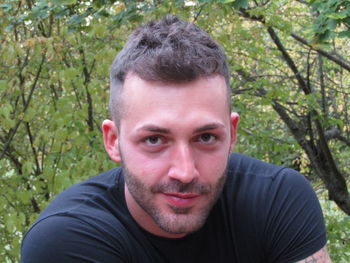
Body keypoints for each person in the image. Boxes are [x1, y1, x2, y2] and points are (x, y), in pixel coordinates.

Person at [21, 15, 332, 263]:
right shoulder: (67, 239)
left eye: (206, 137)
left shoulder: (277, 200)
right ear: (113, 141)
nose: (185, 172)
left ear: (232, 134)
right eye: (155, 140)